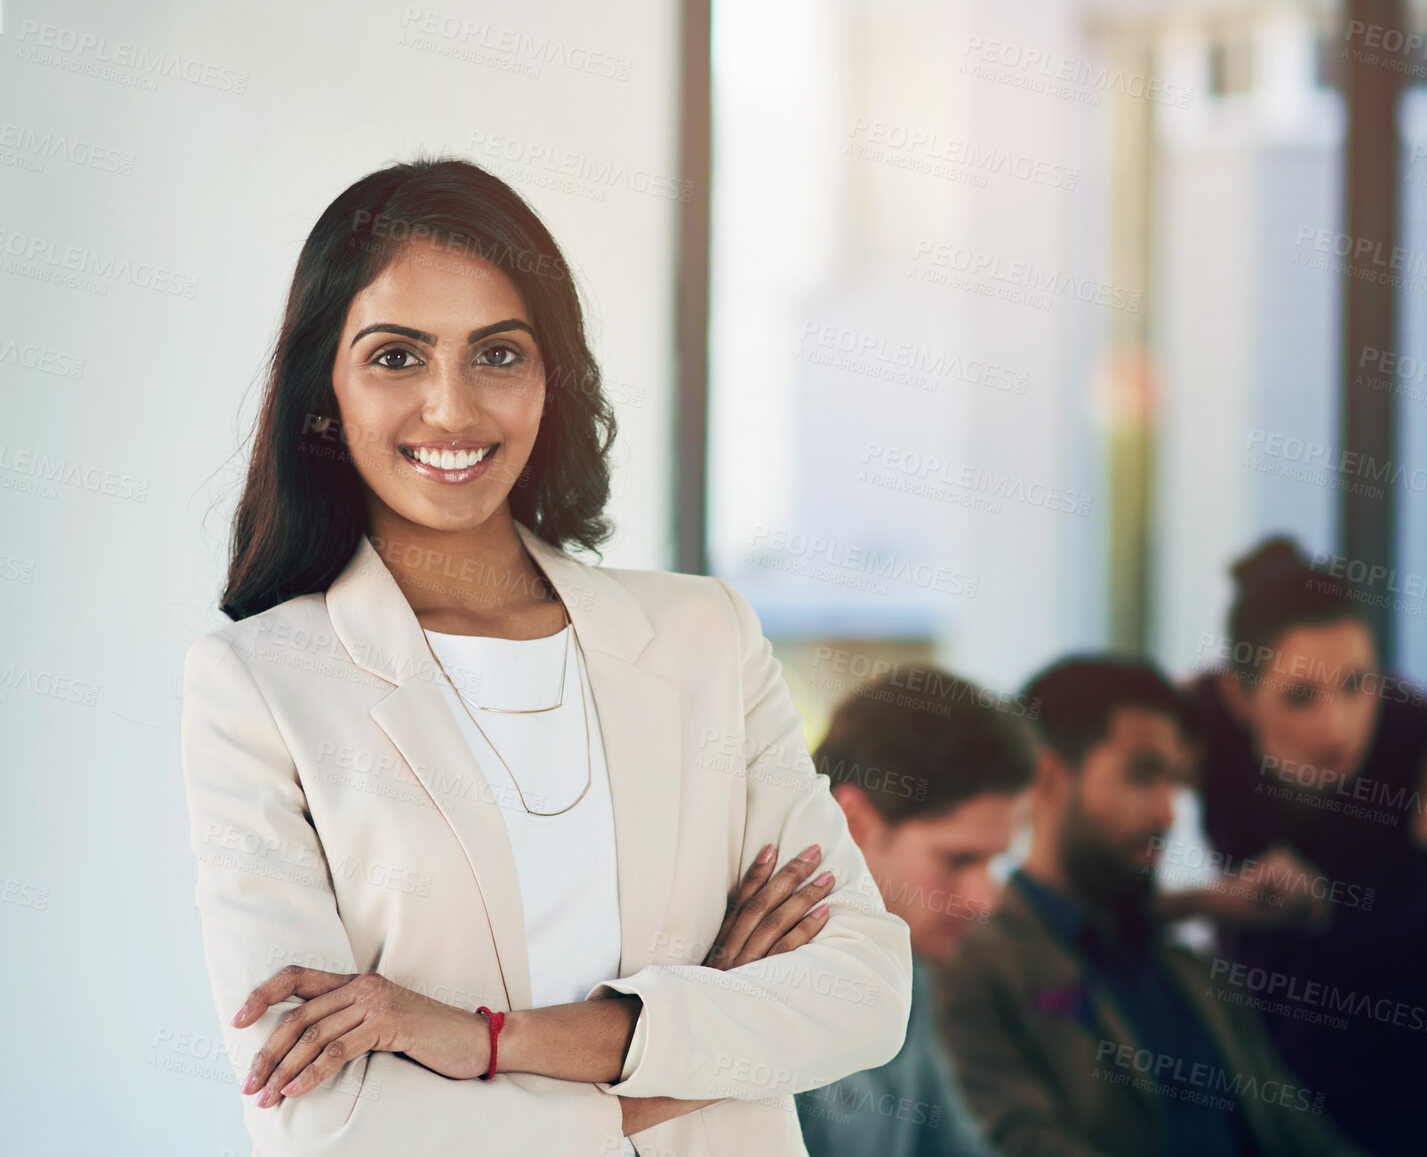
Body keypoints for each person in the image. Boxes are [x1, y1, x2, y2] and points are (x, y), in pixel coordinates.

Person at [180, 157, 912, 1157]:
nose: (451, 409)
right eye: (396, 357)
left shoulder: (704, 636)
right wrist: (696, 1044)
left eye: (498, 354)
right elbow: (325, 1117)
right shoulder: (259, 687)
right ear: (324, 394)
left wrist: (484, 1041)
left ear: (549, 380)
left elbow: (863, 991)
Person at [1176, 535, 1427, 1157]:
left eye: (1358, 684)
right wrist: (1211, 900)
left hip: (1424, 1111)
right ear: (1239, 696)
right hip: (1264, 1100)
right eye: (1301, 696)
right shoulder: (1196, 724)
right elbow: (1087, 860)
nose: (1336, 724)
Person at [932, 657, 1368, 1157]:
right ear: (1047, 777)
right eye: (1142, 775)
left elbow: (1307, 1140)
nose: (1167, 813)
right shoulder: (977, 968)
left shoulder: (1194, 975)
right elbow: (1023, 1141)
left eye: (1175, 784)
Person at [794, 668, 1033, 1157]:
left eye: (994, 861)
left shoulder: (904, 967)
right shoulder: (760, 975)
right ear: (855, 822)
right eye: (958, 859)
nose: (983, 900)